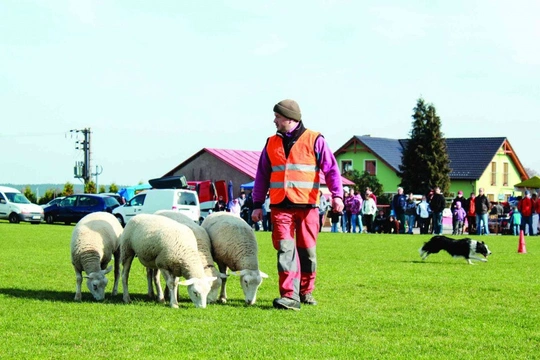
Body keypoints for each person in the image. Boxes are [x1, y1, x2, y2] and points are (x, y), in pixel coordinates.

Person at [251, 99, 344, 311]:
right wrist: (257, 204)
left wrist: (337, 196)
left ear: (290, 118)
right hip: (280, 206)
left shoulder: (315, 140)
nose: (274, 120)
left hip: (308, 206)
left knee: (307, 252)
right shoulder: (270, 143)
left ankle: (305, 291)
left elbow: (331, 169)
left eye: (278, 117)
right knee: (285, 249)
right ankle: (289, 296)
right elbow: (262, 176)